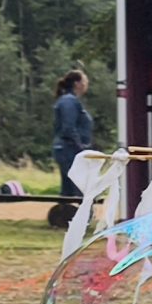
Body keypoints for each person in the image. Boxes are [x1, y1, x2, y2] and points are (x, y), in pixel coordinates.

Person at [51, 68, 95, 222]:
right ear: (77, 84)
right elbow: (68, 127)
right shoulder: (69, 101)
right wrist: (80, 147)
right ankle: (80, 217)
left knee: (68, 186)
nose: (86, 84)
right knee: (78, 184)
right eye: (85, 81)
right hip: (68, 149)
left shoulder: (70, 101)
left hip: (67, 148)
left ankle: (64, 216)